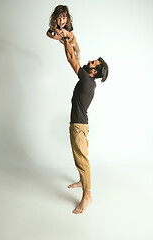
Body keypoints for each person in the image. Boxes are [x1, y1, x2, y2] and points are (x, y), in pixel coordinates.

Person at [60, 30, 109, 214]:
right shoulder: (88, 81)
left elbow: (71, 60)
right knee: (78, 157)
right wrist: (69, 40)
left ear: (94, 71)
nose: (90, 61)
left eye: (93, 62)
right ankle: (82, 181)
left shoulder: (87, 81)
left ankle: (87, 195)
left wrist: (66, 40)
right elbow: (75, 57)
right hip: (80, 125)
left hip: (79, 126)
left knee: (82, 160)